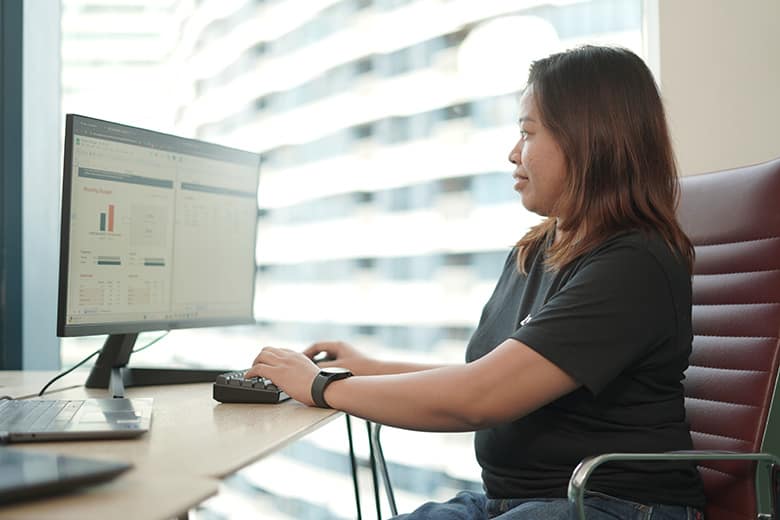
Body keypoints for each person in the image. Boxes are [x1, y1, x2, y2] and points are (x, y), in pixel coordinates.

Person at [246, 45, 706, 519]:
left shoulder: (634, 264)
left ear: (590, 140)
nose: (513, 153)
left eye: (528, 133)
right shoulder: (537, 250)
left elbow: (478, 398)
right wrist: (365, 368)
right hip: (516, 501)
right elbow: (486, 375)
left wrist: (320, 387)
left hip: (614, 506)